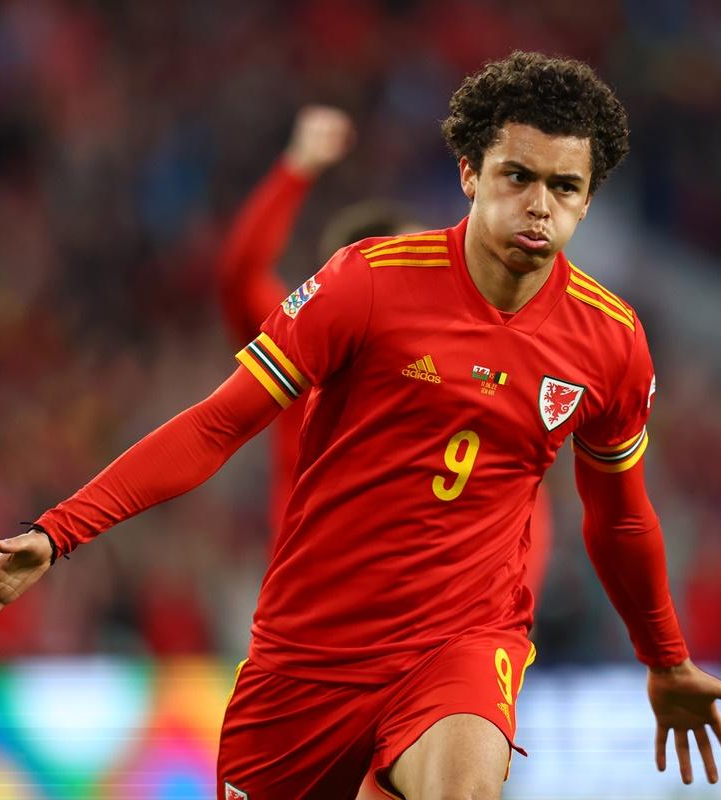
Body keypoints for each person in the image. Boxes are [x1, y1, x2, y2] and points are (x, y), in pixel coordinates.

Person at [0, 51, 721, 799]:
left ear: (588, 199)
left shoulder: (609, 342)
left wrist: (665, 657)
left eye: (565, 187)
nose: (538, 207)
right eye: (516, 176)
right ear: (470, 174)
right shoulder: (370, 283)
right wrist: (59, 532)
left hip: (462, 644)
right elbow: (220, 425)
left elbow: (619, 515)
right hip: (309, 656)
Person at [216, 106, 554, 597]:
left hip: (425, 627)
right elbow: (240, 276)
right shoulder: (306, 343)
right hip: (312, 610)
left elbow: (523, 501)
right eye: (414, 264)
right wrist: (297, 168)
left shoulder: (469, 373)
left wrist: (512, 608)